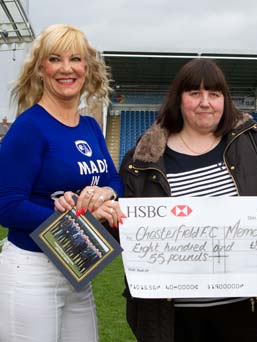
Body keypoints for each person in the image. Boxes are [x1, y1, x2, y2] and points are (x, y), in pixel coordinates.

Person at [119, 58, 257, 341]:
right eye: (195, 93)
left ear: (224, 100)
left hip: (243, 311)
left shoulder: (249, 138)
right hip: (170, 316)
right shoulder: (143, 156)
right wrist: (107, 211)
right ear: (178, 99)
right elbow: (123, 229)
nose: (206, 102)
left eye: (214, 94)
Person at [0, 24, 123, 342]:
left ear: (88, 68)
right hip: (31, 270)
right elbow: (7, 206)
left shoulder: (90, 126)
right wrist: (77, 218)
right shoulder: (29, 127)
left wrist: (102, 192)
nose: (66, 68)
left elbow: (113, 179)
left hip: (78, 267)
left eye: (76, 59)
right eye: (55, 59)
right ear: (41, 68)